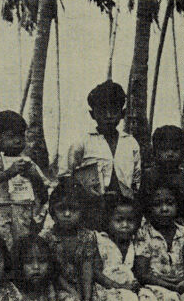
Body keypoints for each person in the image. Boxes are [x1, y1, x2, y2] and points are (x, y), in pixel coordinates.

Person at [60, 81, 141, 229]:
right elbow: (65, 176)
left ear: (122, 113)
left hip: (123, 212)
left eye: (114, 110)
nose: (109, 116)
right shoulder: (82, 142)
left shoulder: (130, 143)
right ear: (92, 114)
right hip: (92, 211)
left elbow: (136, 179)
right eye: (103, 111)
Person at [0, 110, 50, 249]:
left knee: (23, 253)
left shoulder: (29, 163)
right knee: (0, 250)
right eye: (12, 136)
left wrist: (34, 176)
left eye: (21, 135)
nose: (18, 140)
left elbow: (44, 194)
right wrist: (8, 173)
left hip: (24, 220)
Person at [142, 125, 184, 217]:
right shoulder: (148, 176)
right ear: (155, 152)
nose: (170, 154)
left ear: (183, 153)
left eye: (175, 150)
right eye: (164, 150)